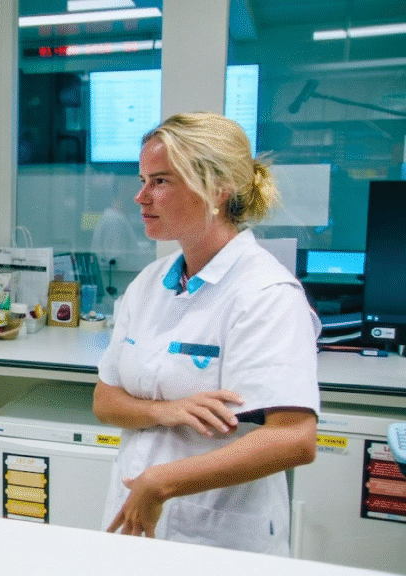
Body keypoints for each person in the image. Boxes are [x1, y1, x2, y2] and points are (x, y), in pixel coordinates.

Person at [92, 112, 319, 555]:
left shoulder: (265, 294)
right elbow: (105, 400)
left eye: (160, 181)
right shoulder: (150, 283)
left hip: (217, 532)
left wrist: (162, 482)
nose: (141, 196)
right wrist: (167, 411)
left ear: (217, 189)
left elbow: (293, 438)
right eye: (143, 180)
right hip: (135, 510)